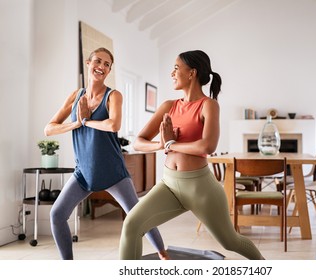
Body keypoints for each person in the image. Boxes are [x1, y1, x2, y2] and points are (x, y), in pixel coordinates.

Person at [119, 50, 264, 260]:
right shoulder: (169, 106)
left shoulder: (209, 105)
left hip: (201, 189)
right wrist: (161, 143)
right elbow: (138, 142)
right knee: (132, 224)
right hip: (169, 185)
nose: (172, 73)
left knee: (230, 241)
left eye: (176, 68)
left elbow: (208, 145)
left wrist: (171, 143)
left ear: (191, 73)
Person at [44, 47, 169, 260]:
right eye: (98, 62)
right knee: (56, 215)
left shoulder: (113, 96)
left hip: (112, 172)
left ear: (109, 70)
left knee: (138, 216)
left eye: (107, 64)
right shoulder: (76, 96)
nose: (101, 67)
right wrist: (75, 123)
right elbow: (49, 129)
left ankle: (164, 255)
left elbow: (113, 125)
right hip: (83, 173)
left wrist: (86, 121)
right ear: (88, 63)